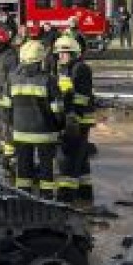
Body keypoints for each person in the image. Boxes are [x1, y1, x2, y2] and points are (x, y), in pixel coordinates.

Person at [7, 40, 64, 199]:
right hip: (45, 133)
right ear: (40, 60)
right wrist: (60, 127)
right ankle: (46, 199)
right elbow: (58, 109)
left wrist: (12, 125)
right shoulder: (49, 80)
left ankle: (23, 198)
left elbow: (6, 106)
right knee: (46, 168)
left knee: (23, 168)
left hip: (20, 132)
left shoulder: (12, 78)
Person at [53, 35, 95, 204]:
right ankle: (85, 192)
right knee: (81, 156)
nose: (61, 56)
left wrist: (73, 118)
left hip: (79, 119)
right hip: (74, 119)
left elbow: (81, 98)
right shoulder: (66, 68)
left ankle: (66, 196)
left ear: (74, 53)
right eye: (60, 53)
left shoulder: (80, 69)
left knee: (69, 157)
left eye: (65, 53)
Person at [0, 27, 18, 170]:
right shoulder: (1, 55)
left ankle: (10, 156)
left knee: (7, 129)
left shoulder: (10, 57)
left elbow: (12, 78)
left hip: (6, 99)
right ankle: (6, 152)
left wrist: (6, 94)